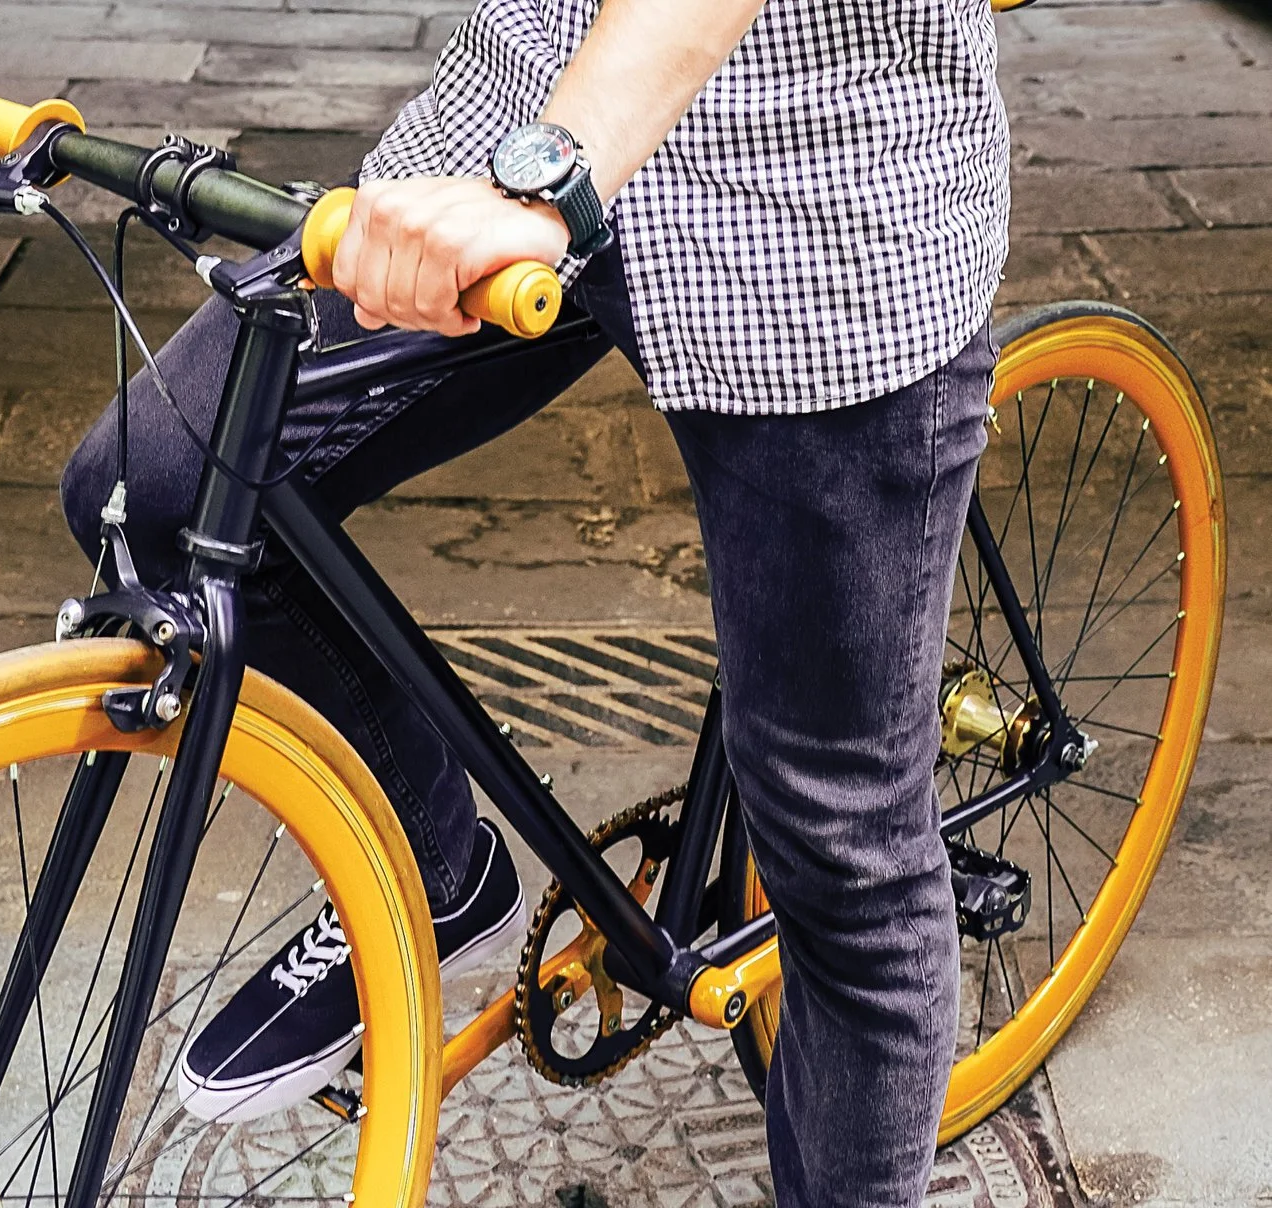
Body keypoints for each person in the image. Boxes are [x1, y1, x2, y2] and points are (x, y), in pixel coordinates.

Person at [57, 1, 1008, 1204]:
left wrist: (552, 173)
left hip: (806, 197)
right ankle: (432, 868)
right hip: (520, 113)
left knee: (843, 847)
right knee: (155, 485)